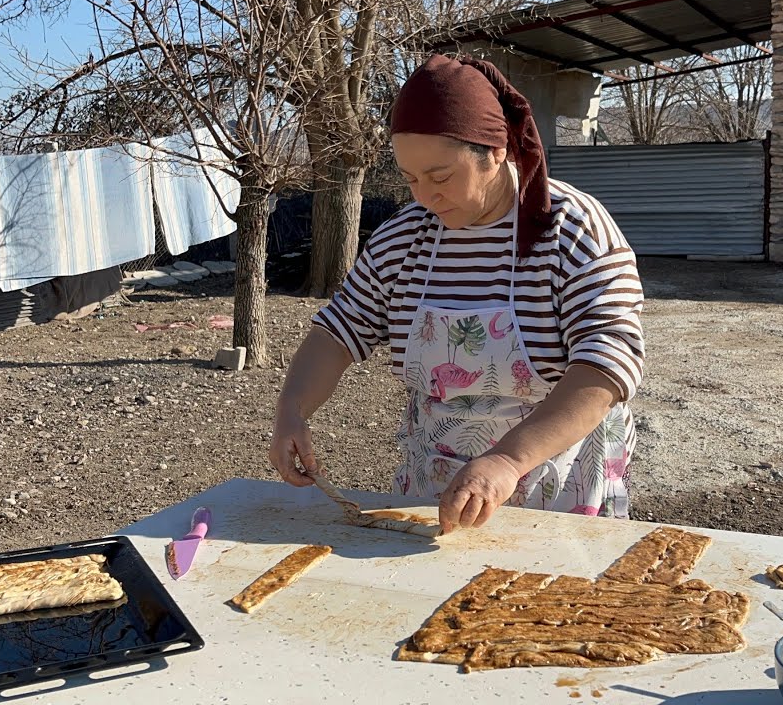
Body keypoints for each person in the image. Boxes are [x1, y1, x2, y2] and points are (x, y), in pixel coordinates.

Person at [269, 53, 644, 534]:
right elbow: (338, 333)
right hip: (435, 483)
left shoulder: (572, 229)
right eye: (410, 178)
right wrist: (291, 411)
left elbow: (607, 365)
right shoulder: (402, 239)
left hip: (557, 482)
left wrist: (508, 460)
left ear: (496, 151)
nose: (424, 196)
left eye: (441, 176)